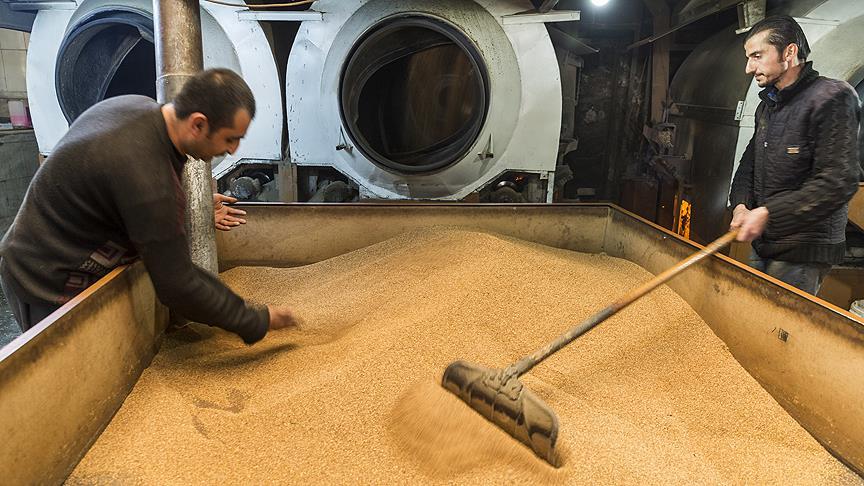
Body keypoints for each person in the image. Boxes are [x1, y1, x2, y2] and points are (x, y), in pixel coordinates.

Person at [0, 68, 297, 342]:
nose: (233, 150)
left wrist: (189, 211)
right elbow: (178, 285)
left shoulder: (140, 110)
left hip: (74, 250)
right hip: (45, 276)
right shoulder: (145, 177)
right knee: (66, 374)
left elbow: (124, 194)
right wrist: (256, 320)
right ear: (198, 123)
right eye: (230, 139)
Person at [729, 15, 861, 294]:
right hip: (766, 240)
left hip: (804, 251)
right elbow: (748, 166)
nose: (748, 68)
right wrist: (741, 204)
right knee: (751, 319)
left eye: (757, 56)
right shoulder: (768, 105)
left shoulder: (832, 98)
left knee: (775, 332)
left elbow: (839, 181)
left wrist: (767, 213)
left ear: (789, 52)